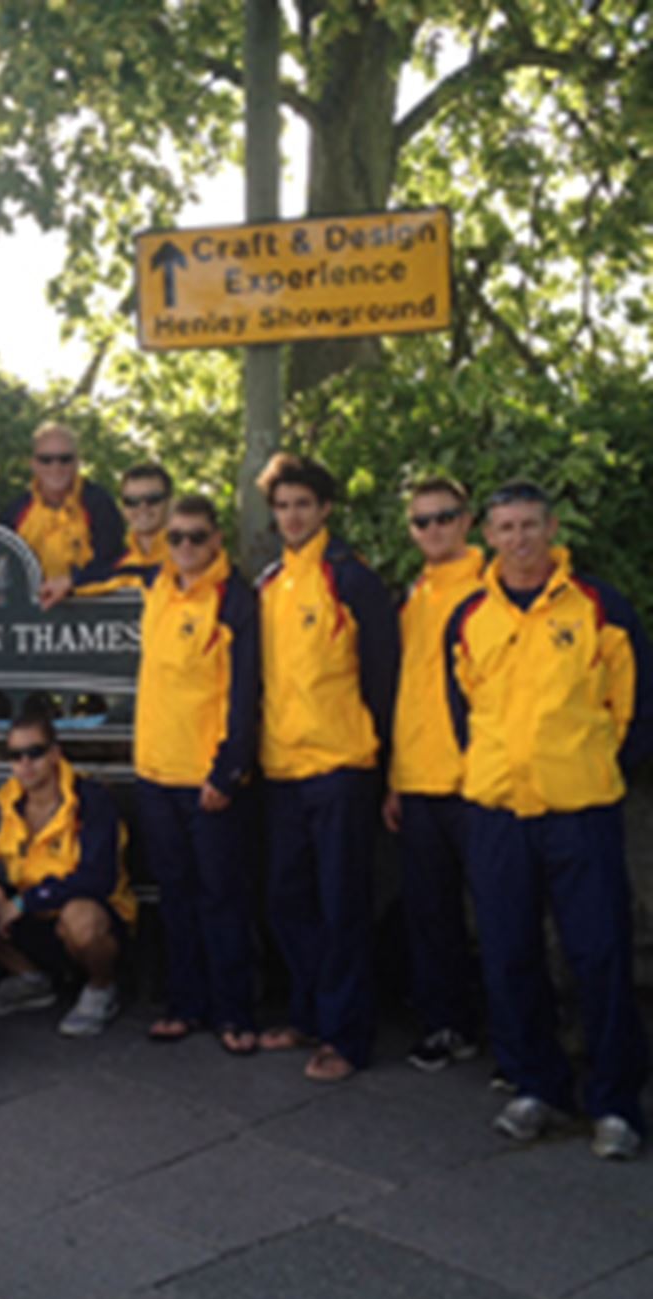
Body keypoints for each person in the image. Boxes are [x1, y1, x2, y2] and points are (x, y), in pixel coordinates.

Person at [445, 480, 651, 1160]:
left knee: (599, 954)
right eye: (505, 527)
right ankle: (538, 1085)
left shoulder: (598, 606)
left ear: (551, 527)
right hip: (499, 811)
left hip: (579, 810)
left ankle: (616, 1102)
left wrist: (587, 763)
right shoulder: (471, 615)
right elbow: (464, 708)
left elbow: (634, 707)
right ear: (490, 535)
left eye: (530, 525)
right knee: (507, 953)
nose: (519, 539)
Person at [255, 453, 399, 1082]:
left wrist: (389, 769)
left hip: (342, 766)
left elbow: (384, 676)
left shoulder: (351, 579)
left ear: (325, 509)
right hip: (281, 768)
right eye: (283, 506)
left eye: (303, 505)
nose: (292, 516)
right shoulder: (268, 584)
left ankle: (347, 1035)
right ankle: (311, 1011)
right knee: (287, 898)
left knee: (343, 904)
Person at [127, 496, 260, 1052]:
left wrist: (229, 770)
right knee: (175, 896)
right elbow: (96, 580)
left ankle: (235, 1013)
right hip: (155, 773)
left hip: (207, 779)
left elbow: (248, 689)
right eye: (175, 537)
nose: (184, 547)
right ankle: (185, 1004)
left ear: (216, 540)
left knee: (222, 897)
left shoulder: (235, 598)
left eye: (195, 537)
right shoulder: (157, 586)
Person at [0, 707, 137, 1037]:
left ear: (55, 754)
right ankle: (30, 980)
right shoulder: (3, 802)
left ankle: (101, 988)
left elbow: (98, 879)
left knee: (82, 917)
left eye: (34, 753)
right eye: (15, 755)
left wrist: (23, 904)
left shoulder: (90, 799)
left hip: (80, 919)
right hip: (29, 918)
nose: (25, 764)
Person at [383, 478, 484, 1072]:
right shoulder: (415, 595)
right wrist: (396, 779)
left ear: (467, 522)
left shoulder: (488, 589)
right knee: (430, 915)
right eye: (421, 521)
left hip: (477, 783)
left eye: (444, 517)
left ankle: (519, 1038)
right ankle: (448, 1024)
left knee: (501, 918)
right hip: (418, 782)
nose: (433, 529)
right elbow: (408, 697)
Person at [0, 422, 124, 582]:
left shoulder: (99, 505)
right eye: (46, 459)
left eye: (65, 459)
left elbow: (113, 563)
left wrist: (72, 581)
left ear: (77, 462)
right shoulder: (16, 512)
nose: (56, 467)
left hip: (89, 603)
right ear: (33, 464)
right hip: (32, 603)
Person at [39, 460, 172, 607]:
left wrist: (77, 584)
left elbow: (152, 576)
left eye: (152, 500)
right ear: (123, 508)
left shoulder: (193, 551)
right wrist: (71, 584)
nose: (142, 507)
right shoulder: (114, 563)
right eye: (132, 501)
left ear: (171, 503)